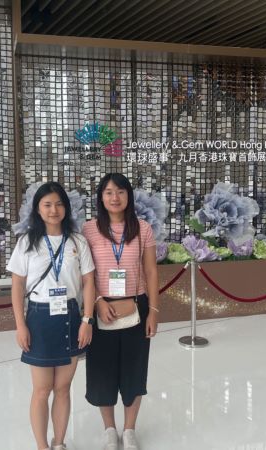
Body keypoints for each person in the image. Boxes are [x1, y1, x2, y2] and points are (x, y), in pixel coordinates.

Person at [8, 182, 96, 450]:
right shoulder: (26, 242)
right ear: (37, 209)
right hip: (39, 317)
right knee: (42, 389)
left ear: (66, 208)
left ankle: (59, 443)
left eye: (59, 204)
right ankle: (41, 446)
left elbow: (89, 282)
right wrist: (20, 325)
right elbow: (17, 286)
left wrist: (87, 320)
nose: (53, 210)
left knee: (63, 388)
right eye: (47, 204)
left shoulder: (77, 241)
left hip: (71, 316)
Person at [82, 173, 160, 450]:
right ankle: (109, 430)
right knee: (102, 371)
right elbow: (85, 273)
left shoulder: (143, 228)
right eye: (108, 192)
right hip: (100, 307)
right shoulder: (89, 229)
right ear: (101, 197)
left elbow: (151, 271)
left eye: (120, 192)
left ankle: (129, 430)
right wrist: (98, 302)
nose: (115, 198)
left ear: (129, 196)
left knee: (134, 371)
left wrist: (153, 310)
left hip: (136, 305)